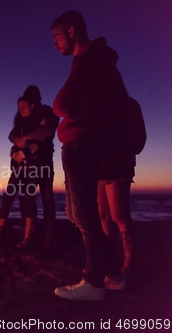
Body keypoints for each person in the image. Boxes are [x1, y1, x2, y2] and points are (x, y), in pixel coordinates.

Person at [50, 10, 128, 300]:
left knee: (86, 217)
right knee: (84, 216)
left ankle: (94, 283)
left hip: (81, 145)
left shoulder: (89, 58)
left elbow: (60, 103)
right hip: (84, 144)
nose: (55, 44)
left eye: (56, 37)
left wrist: (71, 107)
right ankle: (114, 275)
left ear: (71, 31)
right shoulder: (99, 62)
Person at [0, 86, 58, 249]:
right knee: (25, 197)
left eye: (23, 107)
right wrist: (17, 143)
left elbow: (46, 132)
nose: (20, 110)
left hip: (43, 163)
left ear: (33, 103)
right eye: (19, 108)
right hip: (25, 165)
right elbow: (12, 135)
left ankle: (49, 235)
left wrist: (26, 139)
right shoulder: (23, 121)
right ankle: (25, 230)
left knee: (47, 199)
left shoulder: (46, 115)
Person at [98, 97, 146, 274]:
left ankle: (128, 263)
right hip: (99, 167)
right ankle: (105, 260)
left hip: (119, 166)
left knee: (119, 215)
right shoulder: (97, 104)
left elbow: (138, 139)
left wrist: (119, 156)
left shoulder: (129, 105)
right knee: (102, 215)